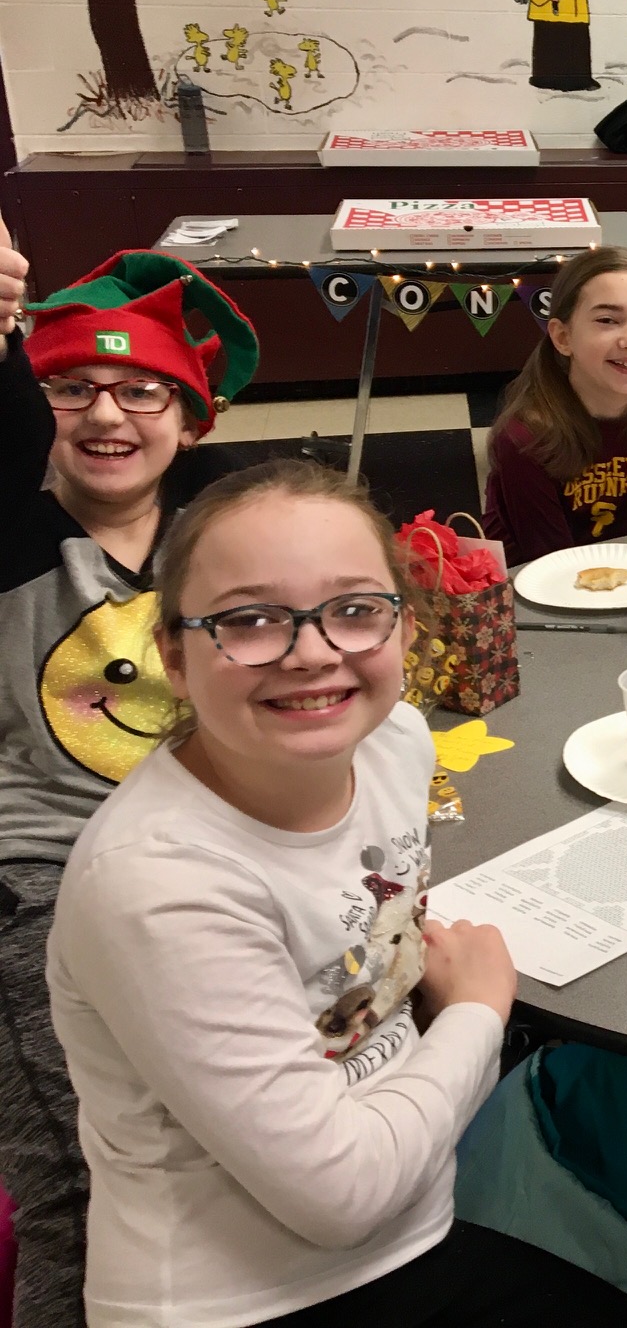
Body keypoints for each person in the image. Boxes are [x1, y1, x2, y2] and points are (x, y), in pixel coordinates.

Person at [45, 459, 627, 1326]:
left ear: (406, 631)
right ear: (176, 660)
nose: (312, 652)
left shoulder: (395, 744)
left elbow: (370, 950)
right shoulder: (157, 886)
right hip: (250, 1298)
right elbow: (339, 1196)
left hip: (416, 1217)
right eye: (250, 620)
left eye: (355, 610)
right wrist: (478, 1015)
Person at [0, 239, 259, 1328]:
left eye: (142, 389)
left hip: (219, 861)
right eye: (72, 387)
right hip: (49, 891)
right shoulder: (14, 529)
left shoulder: (215, 533)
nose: (107, 412)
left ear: (190, 415)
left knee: (237, 1139)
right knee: (84, 1180)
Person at [483, 246, 627, 566]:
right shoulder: (524, 438)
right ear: (563, 337)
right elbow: (551, 567)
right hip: (537, 585)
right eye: (607, 320)